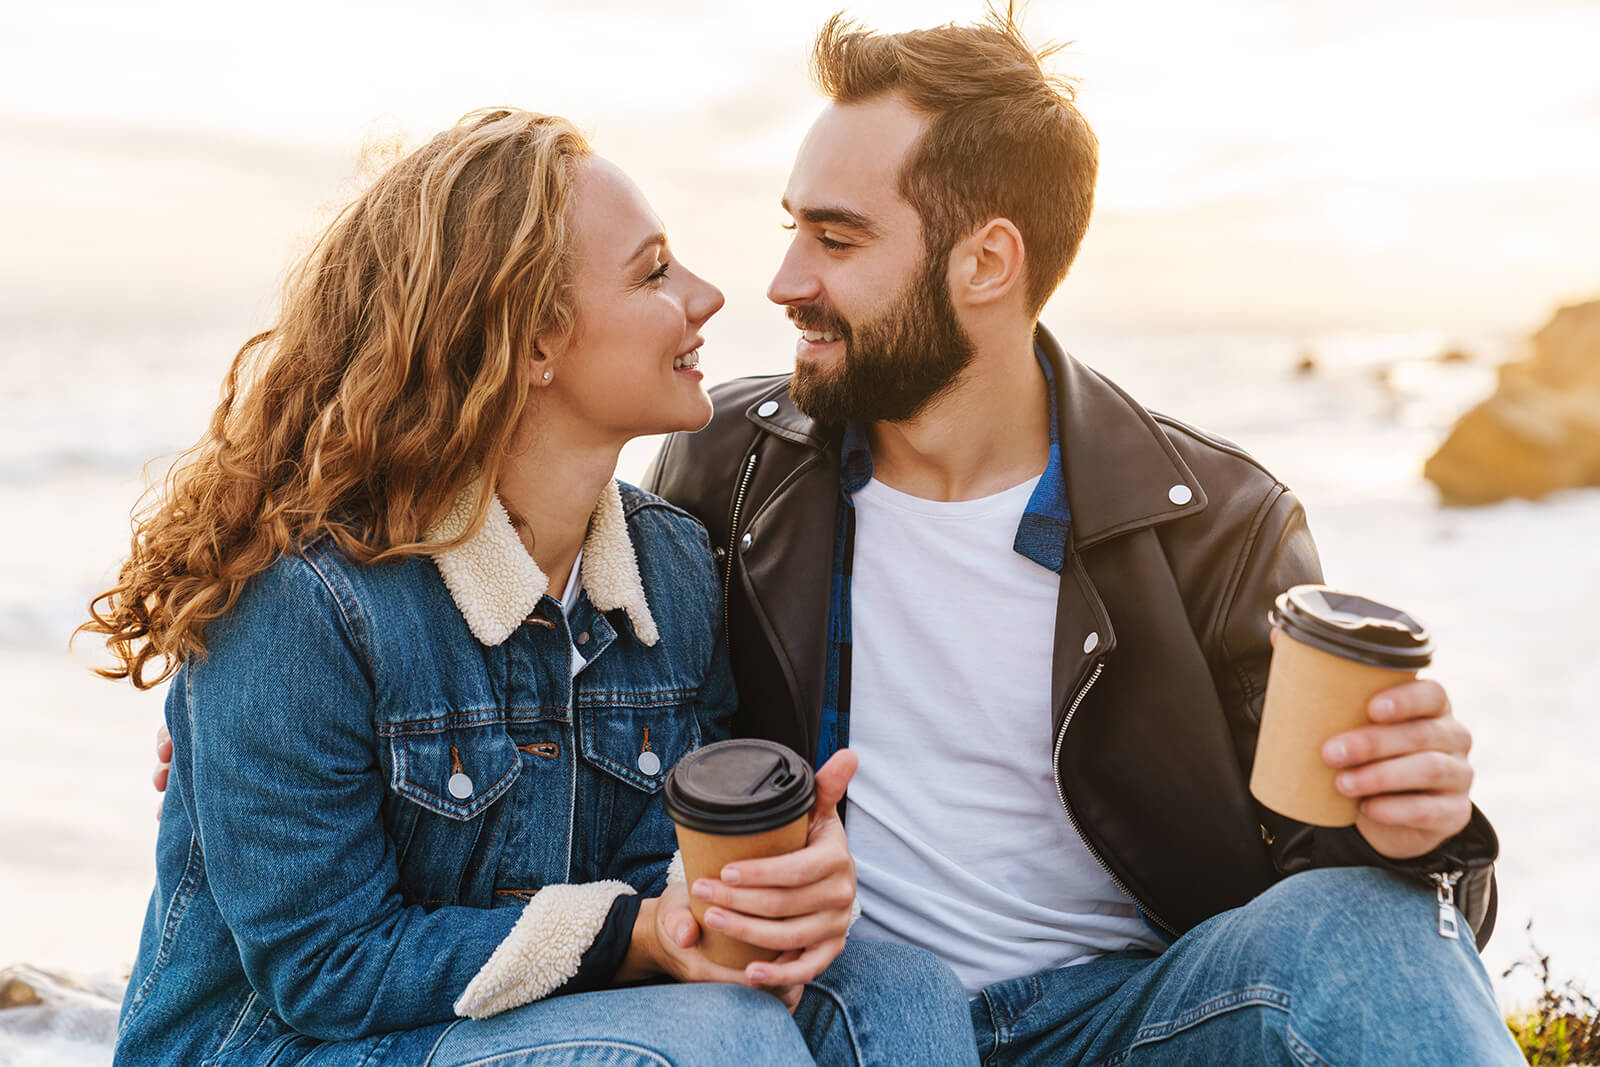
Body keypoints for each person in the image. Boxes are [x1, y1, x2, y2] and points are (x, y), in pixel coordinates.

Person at [642, 11, 1525, 1065]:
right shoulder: (726, 467)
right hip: (841, 1015)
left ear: (987, 261)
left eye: (835, 238)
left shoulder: (1220, 520)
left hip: (1135, 1021)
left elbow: (1333, 883)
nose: (785, 279)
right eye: (793, 228)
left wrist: (1424, 835)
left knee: (1374, 927)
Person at [87, 108, 977, 1066]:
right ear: (533, 343)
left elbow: (656, 869)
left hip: (530, 1025)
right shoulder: (306, 598)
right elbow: (326, 967)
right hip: (282, 1045)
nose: (710, 295)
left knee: (897, 995)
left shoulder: (670, 570)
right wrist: (636, 935)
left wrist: (754, 899)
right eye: (654, 272)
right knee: (713, 1041)